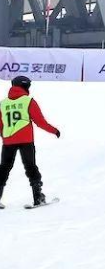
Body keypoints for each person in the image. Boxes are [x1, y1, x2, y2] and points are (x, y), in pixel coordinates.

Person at [0, 76, 60, 208]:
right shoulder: (29, 101)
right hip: (26, 140)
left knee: (3, 168)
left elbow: (0, 125)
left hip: (8, 141)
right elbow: (40, 122)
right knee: (31, 167)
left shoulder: (2, 103)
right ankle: (38, 197)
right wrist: (54, 131)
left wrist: (4, 136)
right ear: (25, 86)